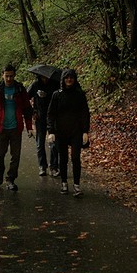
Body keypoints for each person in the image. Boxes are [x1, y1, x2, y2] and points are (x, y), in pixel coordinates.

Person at [0, 64, 34, 191]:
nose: (9, 79)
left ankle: (11, 179)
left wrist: (29, 127)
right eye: (7, 76)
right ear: (3, 75)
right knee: (0, 154)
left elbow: (27, 109)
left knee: (15, 155)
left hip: (16, 127)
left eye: (11, 76)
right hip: (1, 127)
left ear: (14, 76)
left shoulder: (20, 90)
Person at [47, 68, 90, 197]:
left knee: (76, 158)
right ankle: (64, 183)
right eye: (66, 78)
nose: (69, 80)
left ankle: (76, 185)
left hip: (76, 131)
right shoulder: (57, 95)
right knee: (63, 158)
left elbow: (85, 113)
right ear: (63, 80)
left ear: (75, 79)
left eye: (71, 77)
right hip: (60, 132)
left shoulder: (80, 94)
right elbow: (51, 114)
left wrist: (85, 131)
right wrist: (51, 131)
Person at [27, 70, 59, 177]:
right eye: (42, 77)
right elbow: (26, 98)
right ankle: (42, 166)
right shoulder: (35, 85)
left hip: (52, 117)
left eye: (46, 77)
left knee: (53, 143)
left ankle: (54, 166)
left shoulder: (55, 85)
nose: (44, 78)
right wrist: (33, 111)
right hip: (39, 117)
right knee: (40, 143)